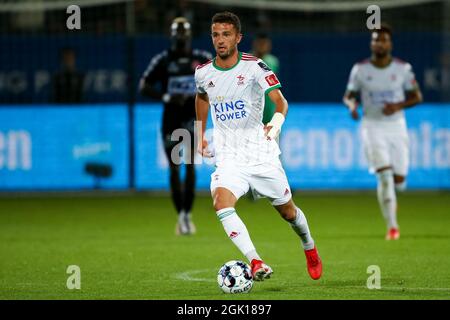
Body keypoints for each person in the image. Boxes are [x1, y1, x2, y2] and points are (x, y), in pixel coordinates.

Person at [195, 12, 322, 281]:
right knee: (221, 202)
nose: (220, 40)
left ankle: (309, 246)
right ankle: (255, 261)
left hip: (260, 152)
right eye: (216, 34)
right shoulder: (203, 72)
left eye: (226, 34)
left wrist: (275, 125)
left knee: (288, 213)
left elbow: (281, 102)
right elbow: (202, 97)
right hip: (229, 157)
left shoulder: (255, 67)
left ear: (238, 38)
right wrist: (199, 132)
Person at [343, 24, 423, 240]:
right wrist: (351, 106)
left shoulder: (402, 69)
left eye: (383, 40)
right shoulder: (360, 69)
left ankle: (397, 189)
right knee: (385, 176)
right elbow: (348, 95)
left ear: (390, 43)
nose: (379, 43)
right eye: (376, 40)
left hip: (397, 126)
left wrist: (398, 106)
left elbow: (417, 96)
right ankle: (393, 227)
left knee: (399, 180)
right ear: (372, 43)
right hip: (372, 126)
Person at [139, 17, 212, 235]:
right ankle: (180, 214)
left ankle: (187, 215)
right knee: (174, 168)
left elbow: (218, 78)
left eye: (184, 33)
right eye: (177, 33)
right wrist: (167, 97)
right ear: (172, 35)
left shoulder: (201, 58)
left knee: (189, 164)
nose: (181, 37)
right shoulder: (163, 60)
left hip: (191, 117)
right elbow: (144, 85)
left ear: (189, 35)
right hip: (171, 119)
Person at [252, 33, 280, 125]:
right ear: (255, 44)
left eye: (265, 44)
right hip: (252, 112)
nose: (262, 46)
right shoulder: (246, 61)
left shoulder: (273, 61)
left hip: (269, 110)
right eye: (260, 44)